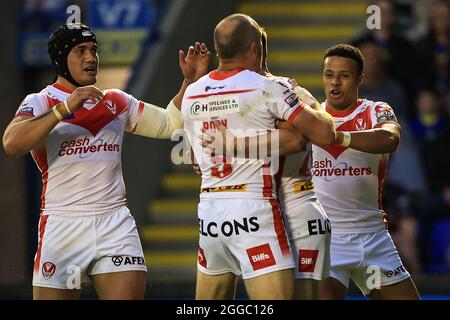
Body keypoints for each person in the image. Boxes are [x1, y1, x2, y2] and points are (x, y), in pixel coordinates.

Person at [2, 23, 210, 300]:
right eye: (80, 50)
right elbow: (12, 143)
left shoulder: (115, 100)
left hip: (115, 224)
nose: (91, 57)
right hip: (62, 225)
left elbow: (170, 124)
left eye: (94, 50)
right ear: (61, 59)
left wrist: (190, 83)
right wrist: (65, 109)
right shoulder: (41, 101)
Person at [181, 14, 336, 300]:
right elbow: (320, 134)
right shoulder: (271, 87)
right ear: (255, 48)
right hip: (256, 207)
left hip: (210, 213)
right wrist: (297, 98)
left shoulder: (191, 93)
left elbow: (195, 162)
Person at [314, 44, 420, 299]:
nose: (335, 83)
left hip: (373, 236)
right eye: (329, 75)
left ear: (360, 78)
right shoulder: (312, 117)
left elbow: (390, 138)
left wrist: (338, 137)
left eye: (344, 75)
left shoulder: (375, 110)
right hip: (328, 238)